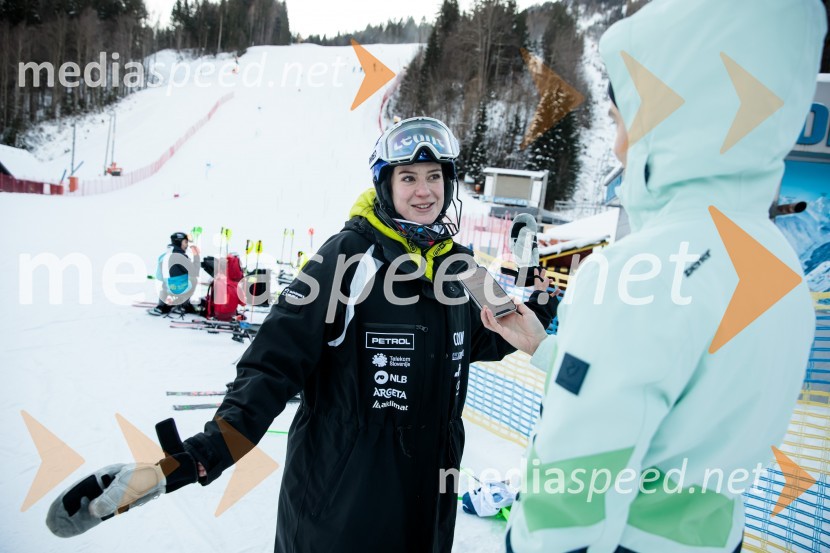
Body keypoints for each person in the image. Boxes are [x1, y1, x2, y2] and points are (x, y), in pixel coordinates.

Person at [48, 117, 557, 552]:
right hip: (341, 513)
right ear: (386, 184)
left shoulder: (461, 268)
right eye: (408, 177)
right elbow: (274, 364)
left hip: (427, 515)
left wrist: (539, 290)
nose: (423, 191)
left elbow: (491, 337)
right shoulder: (348, 258)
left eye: (433, 176)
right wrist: (199, 457)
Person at [481, 1, 826, 552]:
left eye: (621, 122)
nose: (617, 147)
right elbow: (685, 413)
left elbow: (569, 498)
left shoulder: (640, 269)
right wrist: (547, 351)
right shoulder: (778, 266)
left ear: (668, 122)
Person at [148, 231, 200, 316]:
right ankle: (182, 306)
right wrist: (196, 256)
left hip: (167, 288)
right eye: (185, 242)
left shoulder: (163, 255)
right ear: (179, 242)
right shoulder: (181, 257)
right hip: (178, 289)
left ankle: (162, 306)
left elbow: (159, 277)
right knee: (193, 279)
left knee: (166, 281)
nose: (187, 245)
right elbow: (194, 272)